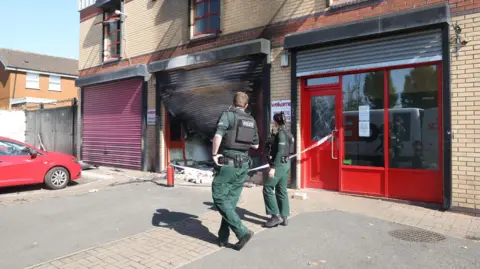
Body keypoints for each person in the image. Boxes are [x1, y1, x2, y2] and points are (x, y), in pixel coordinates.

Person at [211, 91, 259, 251]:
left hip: (229, 164)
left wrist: (214, 154)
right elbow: (256, 145)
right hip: (243, 166)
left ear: (233, 103)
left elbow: (218, 136)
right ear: (245, 106)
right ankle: (223, 237)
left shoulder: (228, 115)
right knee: (230, 201)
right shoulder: (251, 120)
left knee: (218, 196)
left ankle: (242, 232)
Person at [263, 111, 293, 228]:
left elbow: (280, 151)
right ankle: (284, 216)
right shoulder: (287, 133)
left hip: (279, 164)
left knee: (267, 188)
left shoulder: (281, 134)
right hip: (286, 164)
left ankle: (275, 216)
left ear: (275, 122)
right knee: (281, 190)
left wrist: (273, 168)